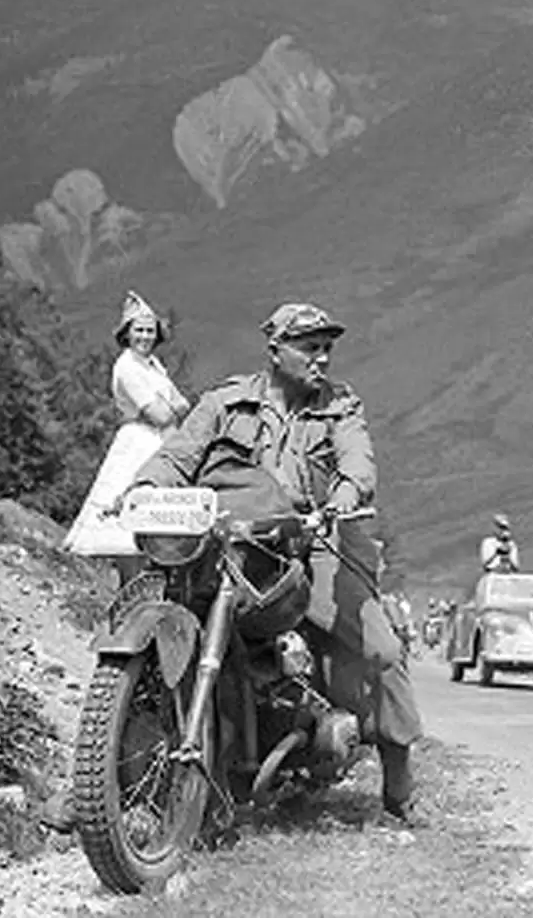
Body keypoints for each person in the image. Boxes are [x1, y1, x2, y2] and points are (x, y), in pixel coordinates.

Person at [128, 302, 423, 822]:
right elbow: (179, 454)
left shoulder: (341, 406)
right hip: (234, 542)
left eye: (327, 348)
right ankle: (104, 777)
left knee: (381, 648)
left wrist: (345, 495)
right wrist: (149, 485)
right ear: (275, 351)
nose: (322, 359)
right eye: (310, 348)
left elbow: (358, 460)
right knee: (149, 622)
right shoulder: (226, 402)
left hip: (309, 544)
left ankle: (399, 787)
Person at [62, 291, 191, 579]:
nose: (145, 336)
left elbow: (182, 404)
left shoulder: (154, 365)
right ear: (127, 333)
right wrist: (169, 407)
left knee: (161, 516)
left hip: (162, 440)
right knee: (129, 518)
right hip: (139, 441)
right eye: (139, 330)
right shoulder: (127, 367)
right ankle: (129, 586)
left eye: (149, 330)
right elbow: (163, 413)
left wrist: (168, 407)